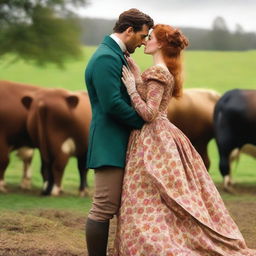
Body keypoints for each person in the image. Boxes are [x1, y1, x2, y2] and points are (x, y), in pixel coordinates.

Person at [113, 24, 256, 255]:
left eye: (150, 38)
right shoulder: (159, 70)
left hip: (153, 139)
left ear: (159, 44)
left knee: (148, 194)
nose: (145, 41)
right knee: (159, 196)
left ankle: (154, 242)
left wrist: (130, 88)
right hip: (157, 135)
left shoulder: (159, 72)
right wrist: (137, 73)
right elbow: (150, 97)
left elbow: (149, 113)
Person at [84, 8, 154, 256]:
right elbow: (112, 104)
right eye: (143, 36)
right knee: (103, 207)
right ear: (128, 31)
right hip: (109, 143)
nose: (144, 42)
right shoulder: (106, 58)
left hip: (118, 141)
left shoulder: (116, 55)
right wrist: (145, 123)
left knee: (111, 206)